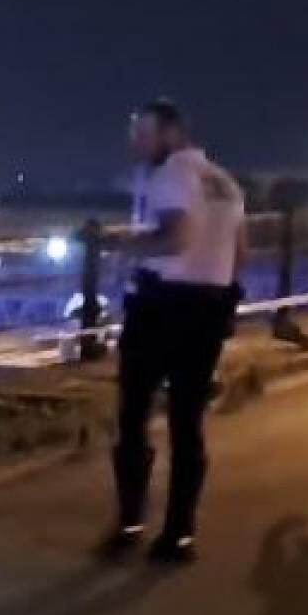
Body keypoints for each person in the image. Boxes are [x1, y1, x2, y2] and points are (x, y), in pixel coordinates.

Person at [107, 99, 247, 564]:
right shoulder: (224, 181)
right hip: (207, 310)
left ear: (171, 133)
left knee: (134, 414)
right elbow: (241, 250)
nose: (137, 143)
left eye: (144, 134)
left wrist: (124, 245)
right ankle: (180, 533)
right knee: (188, 423)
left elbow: (177, 237)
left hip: (162, 306)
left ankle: (130, 522)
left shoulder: (172, 175)